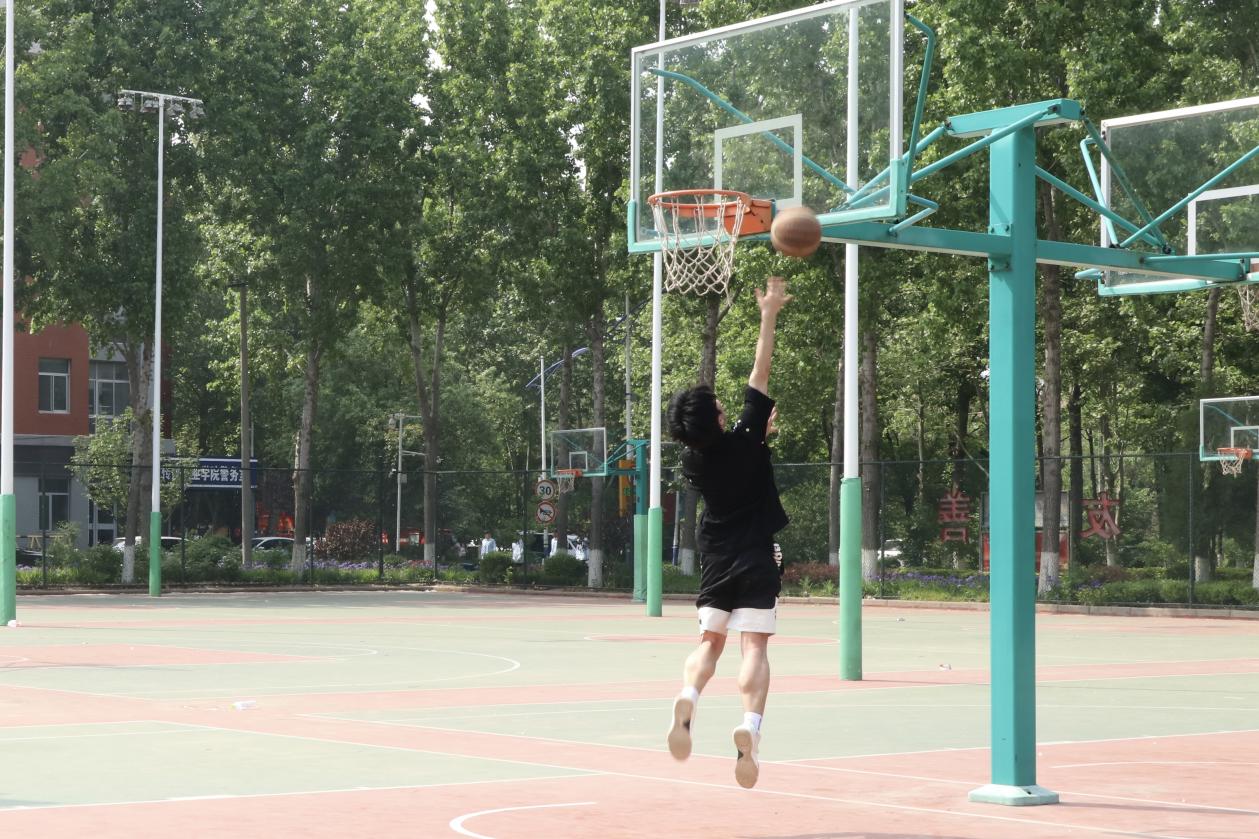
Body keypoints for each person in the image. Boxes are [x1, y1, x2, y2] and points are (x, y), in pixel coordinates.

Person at [664, 275, 791, 790]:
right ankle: (750, 727)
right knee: (754, 646)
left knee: (709, 641)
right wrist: (769, 312)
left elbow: (734, 444)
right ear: (717, 418)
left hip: (716, 553)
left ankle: (689, 696)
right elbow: (761, 369)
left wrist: (758, 437)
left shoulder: (693, 462)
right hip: (756, 551)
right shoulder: (745, 439)